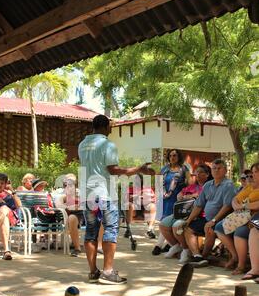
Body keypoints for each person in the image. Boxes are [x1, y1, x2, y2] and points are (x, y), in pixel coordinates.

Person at [78, 114, 155, 285]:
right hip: (104, 195)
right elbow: (113, 170)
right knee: (110, 230)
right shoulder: (107, 144)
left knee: (91, 232)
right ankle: (108, 272)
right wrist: (138, 169)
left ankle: (92, 272)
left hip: (87, 194)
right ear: (106, 127)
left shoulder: (82, 145)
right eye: (110, 126)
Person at [183, 159, 236, 267]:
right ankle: (197, 256)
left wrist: (213, 220)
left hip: (222, 220)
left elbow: (227, 206)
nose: (216, 170)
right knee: (187, 228)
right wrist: (188, 220)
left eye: (219, 168)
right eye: (214, 168)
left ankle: (204, 256)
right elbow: (199, 205)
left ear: (225, 170)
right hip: (208, 219)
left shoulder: (228, 185)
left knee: (209, 229)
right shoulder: (208, 185)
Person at [159, 164, 211, 263]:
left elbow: (201, 199)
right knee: (163, 224)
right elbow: (181, 194)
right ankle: (176, 246)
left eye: (201, 172)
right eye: (197, 172)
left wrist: (192, 196)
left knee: (177, 226)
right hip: (182, 212)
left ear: (207, 174)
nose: (198, 174)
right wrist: (181, 196)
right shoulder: (192, 186)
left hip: (196, 215)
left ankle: (186, 250)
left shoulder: (208, 187)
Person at [214, 162, 259, 275]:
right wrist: (237, 206)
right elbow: (235, 199)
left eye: (255, 172)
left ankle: (241, 265)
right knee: (218, 227)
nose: (252, 176)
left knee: (240, 232)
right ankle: (235, 257)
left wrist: (243, 206)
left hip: (252, 219)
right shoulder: (250, 187)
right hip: (242, 217)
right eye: (251, 173)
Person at [152, 149, 190, 255]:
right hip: (165, 198)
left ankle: (158, 245)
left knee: (169, 221)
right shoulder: (165, 168)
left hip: (177, 198)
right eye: (171, 155)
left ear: (179, 157)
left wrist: (184, 187)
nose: (173, 157)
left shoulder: (184, 168)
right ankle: (169, 244)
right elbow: (158, 181)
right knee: (165, 221)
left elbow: (189, 183)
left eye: (175, 155)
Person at [123, 173, 157, 239]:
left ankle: (150, 230)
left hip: (145, 205)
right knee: (129, 205)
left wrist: (146, 198)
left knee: (153, 206)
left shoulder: (148, 189)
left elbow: (154, 199)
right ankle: (128, 229)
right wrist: (137, 195)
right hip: (135, 206)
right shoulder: (130, 189)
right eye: (135, 180)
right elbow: (127, 199)